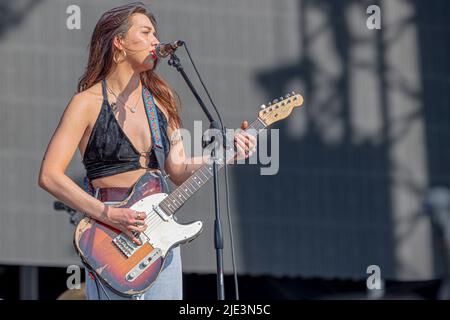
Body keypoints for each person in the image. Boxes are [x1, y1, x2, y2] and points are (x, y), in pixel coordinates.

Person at [37, 2, 256, 300]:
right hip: (109, 240)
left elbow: (178, 170)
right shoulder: (85, 103)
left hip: (160, 241)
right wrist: (109, 214)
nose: (156, 40)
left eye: (155, 33)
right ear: (120, 42)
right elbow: (49, 176)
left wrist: (228, 153)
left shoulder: (162, 104)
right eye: (146, 32)